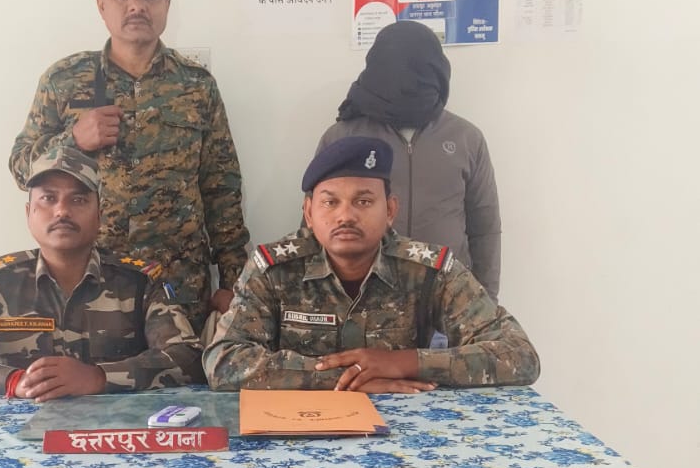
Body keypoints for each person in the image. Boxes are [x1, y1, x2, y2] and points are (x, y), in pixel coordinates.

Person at [8, 0, 249, 334]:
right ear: (102, 5)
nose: (137, 5)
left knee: (178, 374)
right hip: (91, 282)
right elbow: (21, 169)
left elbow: (221, 188)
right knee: (90, 373)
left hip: (179, 285)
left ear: (166, 6)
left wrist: (233, 282)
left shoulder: (196, 85)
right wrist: (72, 140)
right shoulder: (64, 80)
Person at [203, 138, 538, 392]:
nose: (345, 216)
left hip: (404, 428)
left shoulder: (429, 269)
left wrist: (402, 363)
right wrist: (345, 379)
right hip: (300, 430)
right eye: (330, 202)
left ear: (390, 210)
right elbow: (223, 361)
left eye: (363, 201)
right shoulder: (273, 269)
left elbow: (519, 355)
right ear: (309, 212)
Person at [0, 151, 204, 399]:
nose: (61, 211)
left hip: (115, 431)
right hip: (25, 431)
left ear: (100, 215)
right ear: (29, 213)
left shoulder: (138, 282)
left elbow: (188, 357)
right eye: (48, 198)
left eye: (78, 200)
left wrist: (100, 377)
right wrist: (13, 380)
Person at [315, 21, 502, 298]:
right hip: (363, 297)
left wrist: (486, 299)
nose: (406, 77)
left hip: (448, 297)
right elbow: (317, 222)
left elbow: (485, 228)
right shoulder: (343, 137)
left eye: (419, 67)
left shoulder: (466, 138)